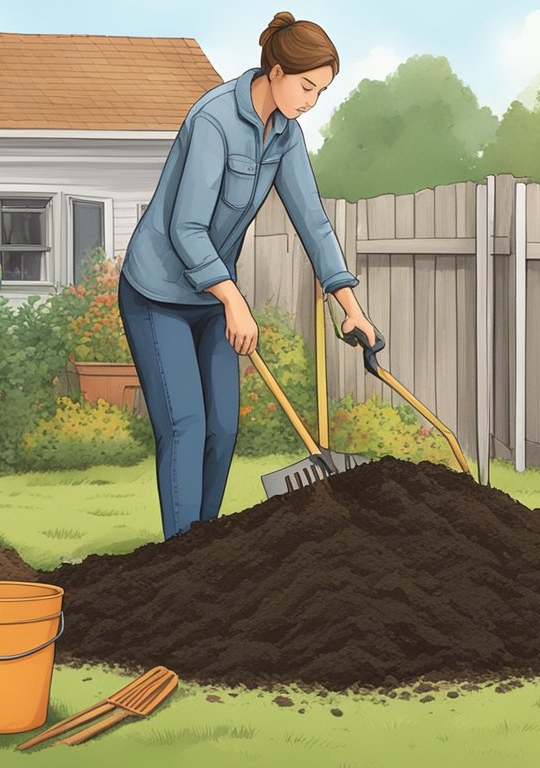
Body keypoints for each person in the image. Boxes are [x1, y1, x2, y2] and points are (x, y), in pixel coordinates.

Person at [119, 12, 378, 539]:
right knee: (185, 425)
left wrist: (352, 309)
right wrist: (234, 300)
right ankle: (179, 558)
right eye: (306, 86)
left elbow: (314, 222)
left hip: (214, 297)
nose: (310, 101)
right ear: (276, 71)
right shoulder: (213, 119)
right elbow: (187, 227)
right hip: (158, 292)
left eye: (321, 92)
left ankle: (202, 545)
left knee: (222, 428)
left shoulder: (285, 134)